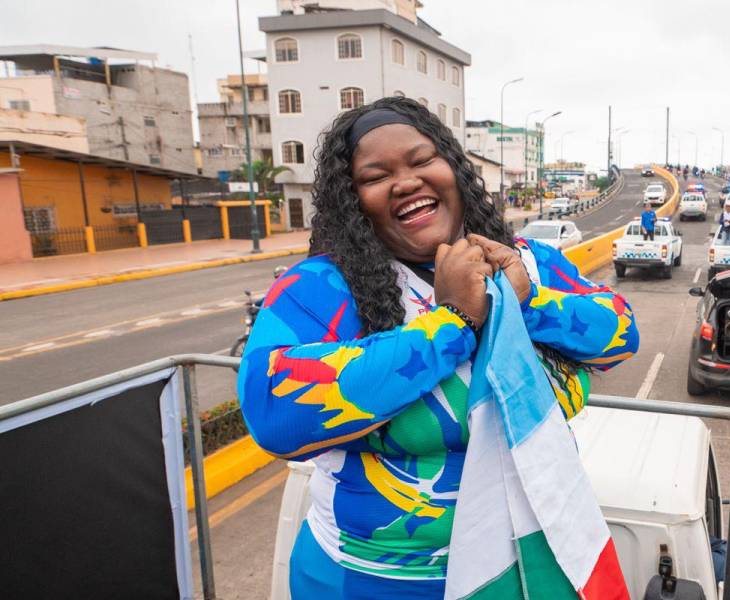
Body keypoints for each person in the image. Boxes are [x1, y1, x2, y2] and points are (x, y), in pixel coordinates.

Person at [238, 97, 639, 599]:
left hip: (534, 562)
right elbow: (271, 410)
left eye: (422, 159)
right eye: (375, 175)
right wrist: (450, 324)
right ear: (353, 200)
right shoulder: (321, 287)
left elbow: (621, 333)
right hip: (373, 582)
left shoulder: (528, 263)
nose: (406, 181)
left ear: (453, 168)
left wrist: (528, 302)